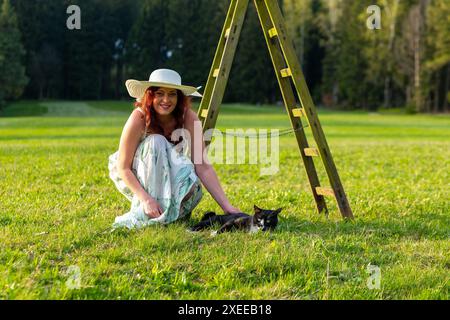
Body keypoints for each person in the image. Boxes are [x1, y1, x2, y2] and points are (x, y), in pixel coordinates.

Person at [108, 69, 241, 229]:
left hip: (174, 180)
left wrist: (227, 207)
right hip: (142, 178)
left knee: (188, 179)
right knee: (156, 141)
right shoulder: (139, 117)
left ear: (179, 97)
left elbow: (203, 167)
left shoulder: (189, 118)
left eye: (172, 94)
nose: (166, 99)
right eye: (159, 93)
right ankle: (153, 212)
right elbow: (123, 168)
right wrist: (145, 199)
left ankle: (167, 213)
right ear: (150, 95)